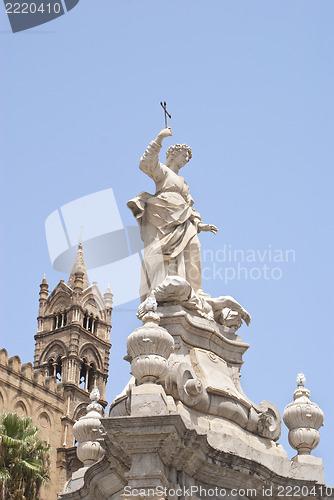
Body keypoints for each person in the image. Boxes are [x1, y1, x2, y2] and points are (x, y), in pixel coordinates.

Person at [127, 128, 217, 300]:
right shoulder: (162, 171)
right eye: (184, 155)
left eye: (188, 158)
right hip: (162, 216)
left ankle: (195, 289)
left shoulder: (183, 183)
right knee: (163, 255)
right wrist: (159, 138)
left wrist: (200, 224)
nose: (186, 159)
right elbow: (146, 163)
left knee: (194, 247)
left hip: (183, 219)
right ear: (174, 155)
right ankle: (163, 286)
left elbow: (189, 206)